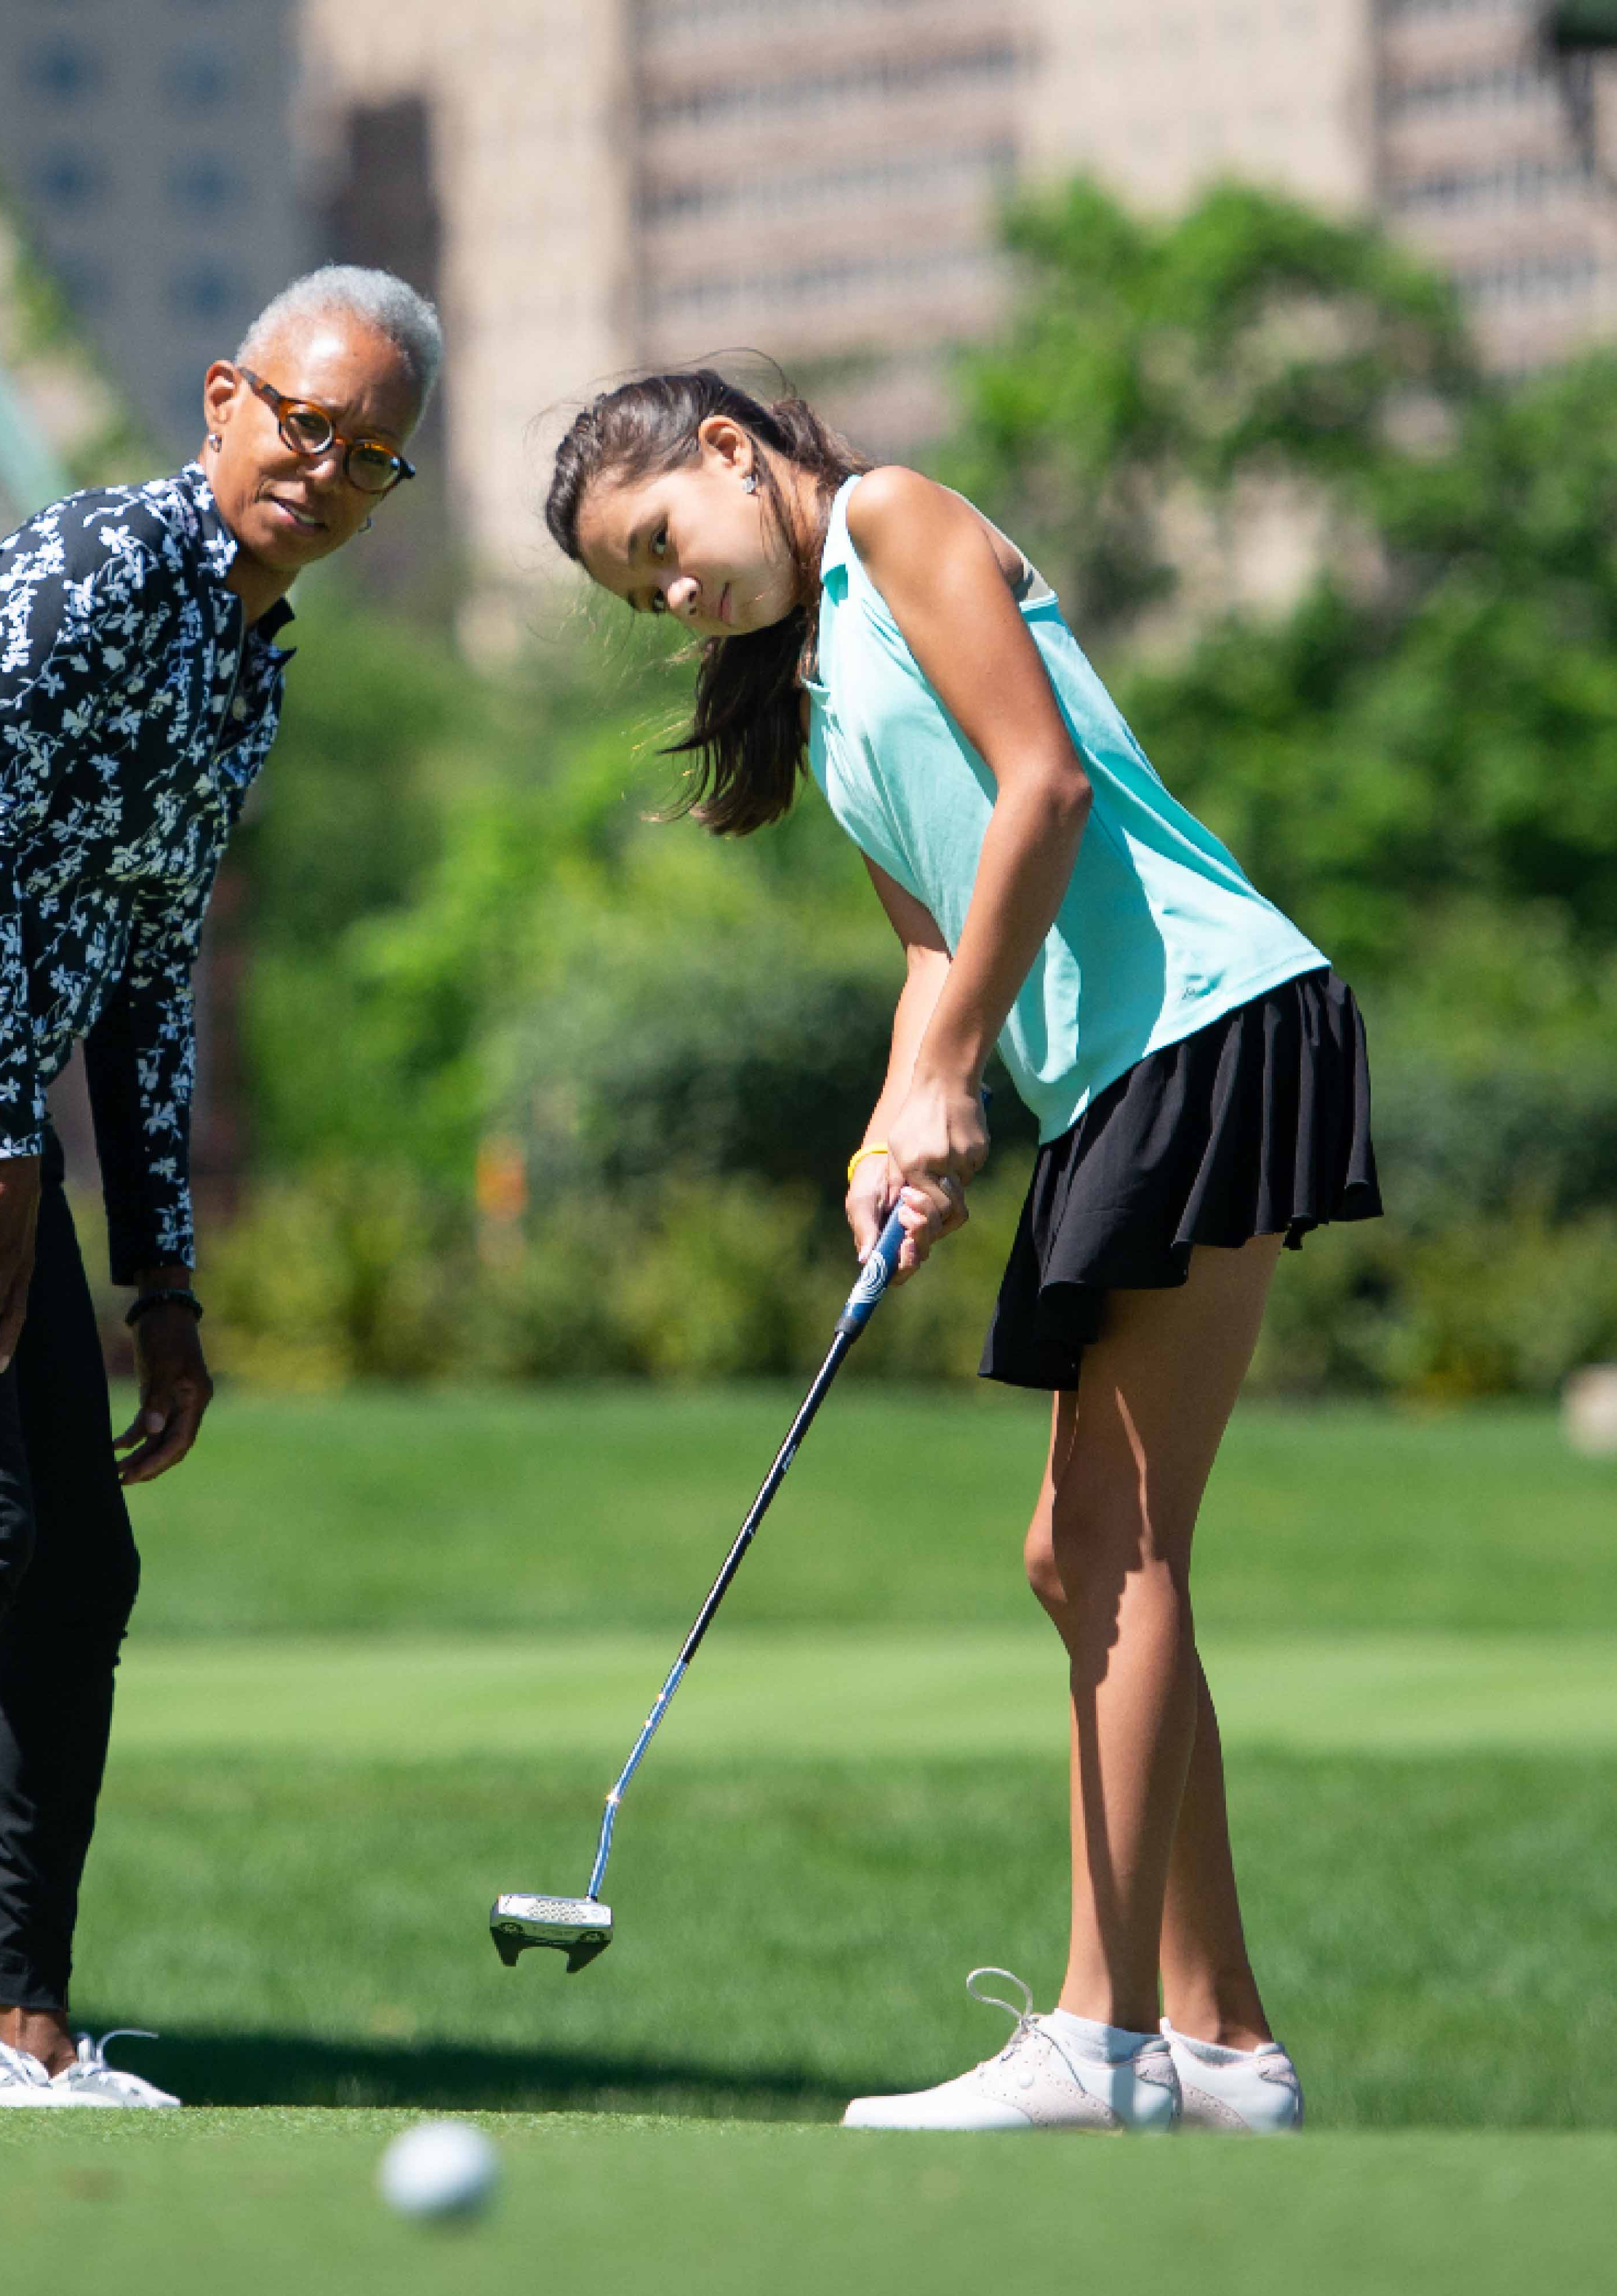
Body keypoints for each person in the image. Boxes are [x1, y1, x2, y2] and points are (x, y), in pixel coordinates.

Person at [546, 370, 1379, 2134]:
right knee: (1079, 1556)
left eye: (662, 548)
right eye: (640, 596)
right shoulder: (825, 678)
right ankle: (1220, 2043)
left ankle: (1103, 2029)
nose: (672, 594)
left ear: (726, 455)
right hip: (1121, 1072)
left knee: (1109, 1543)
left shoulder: (893, 518)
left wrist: (945, 1080)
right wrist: (892, 1124)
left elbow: (1045, 790)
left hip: (1203, 1024)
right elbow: (934, 940)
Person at [0, 265, 441, 2108]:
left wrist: (165, 1286)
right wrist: (1, 1144)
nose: (326, 467)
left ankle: (21, 2030)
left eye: (370, 457)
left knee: (78, 1554)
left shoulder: (248, 668)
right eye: (303, 421)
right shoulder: (90, 567)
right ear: (221, 397)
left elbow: (141, 967)